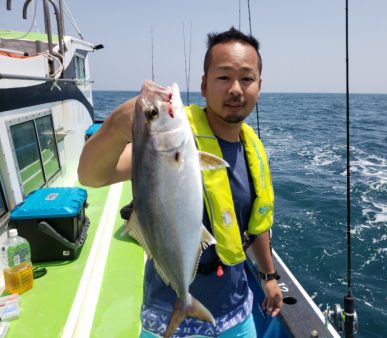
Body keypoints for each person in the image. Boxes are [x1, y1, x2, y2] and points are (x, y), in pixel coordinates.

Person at [78, 27, 282, 338]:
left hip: (236, 311)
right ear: (203, 85)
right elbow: (92, 175)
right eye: (223, 77)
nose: (236, 89)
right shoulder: (169, 137)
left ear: (259, 86)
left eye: (247, 78)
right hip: (165, 313)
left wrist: (268, 276)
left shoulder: (252, 148)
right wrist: (124, 123)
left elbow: (256, 224)